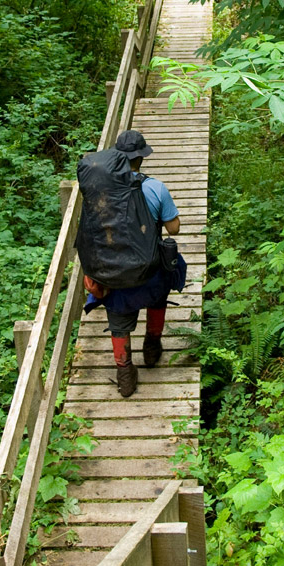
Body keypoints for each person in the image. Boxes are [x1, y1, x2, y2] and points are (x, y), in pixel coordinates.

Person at [87, 128, 182, 399]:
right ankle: (152, 348)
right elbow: (173, 229)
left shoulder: (101, 189)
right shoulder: (155, 187)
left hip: (115, 271)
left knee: (119, 321)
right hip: (149, 269)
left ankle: (125, 374)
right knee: (159, 291)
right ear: (142, 157)